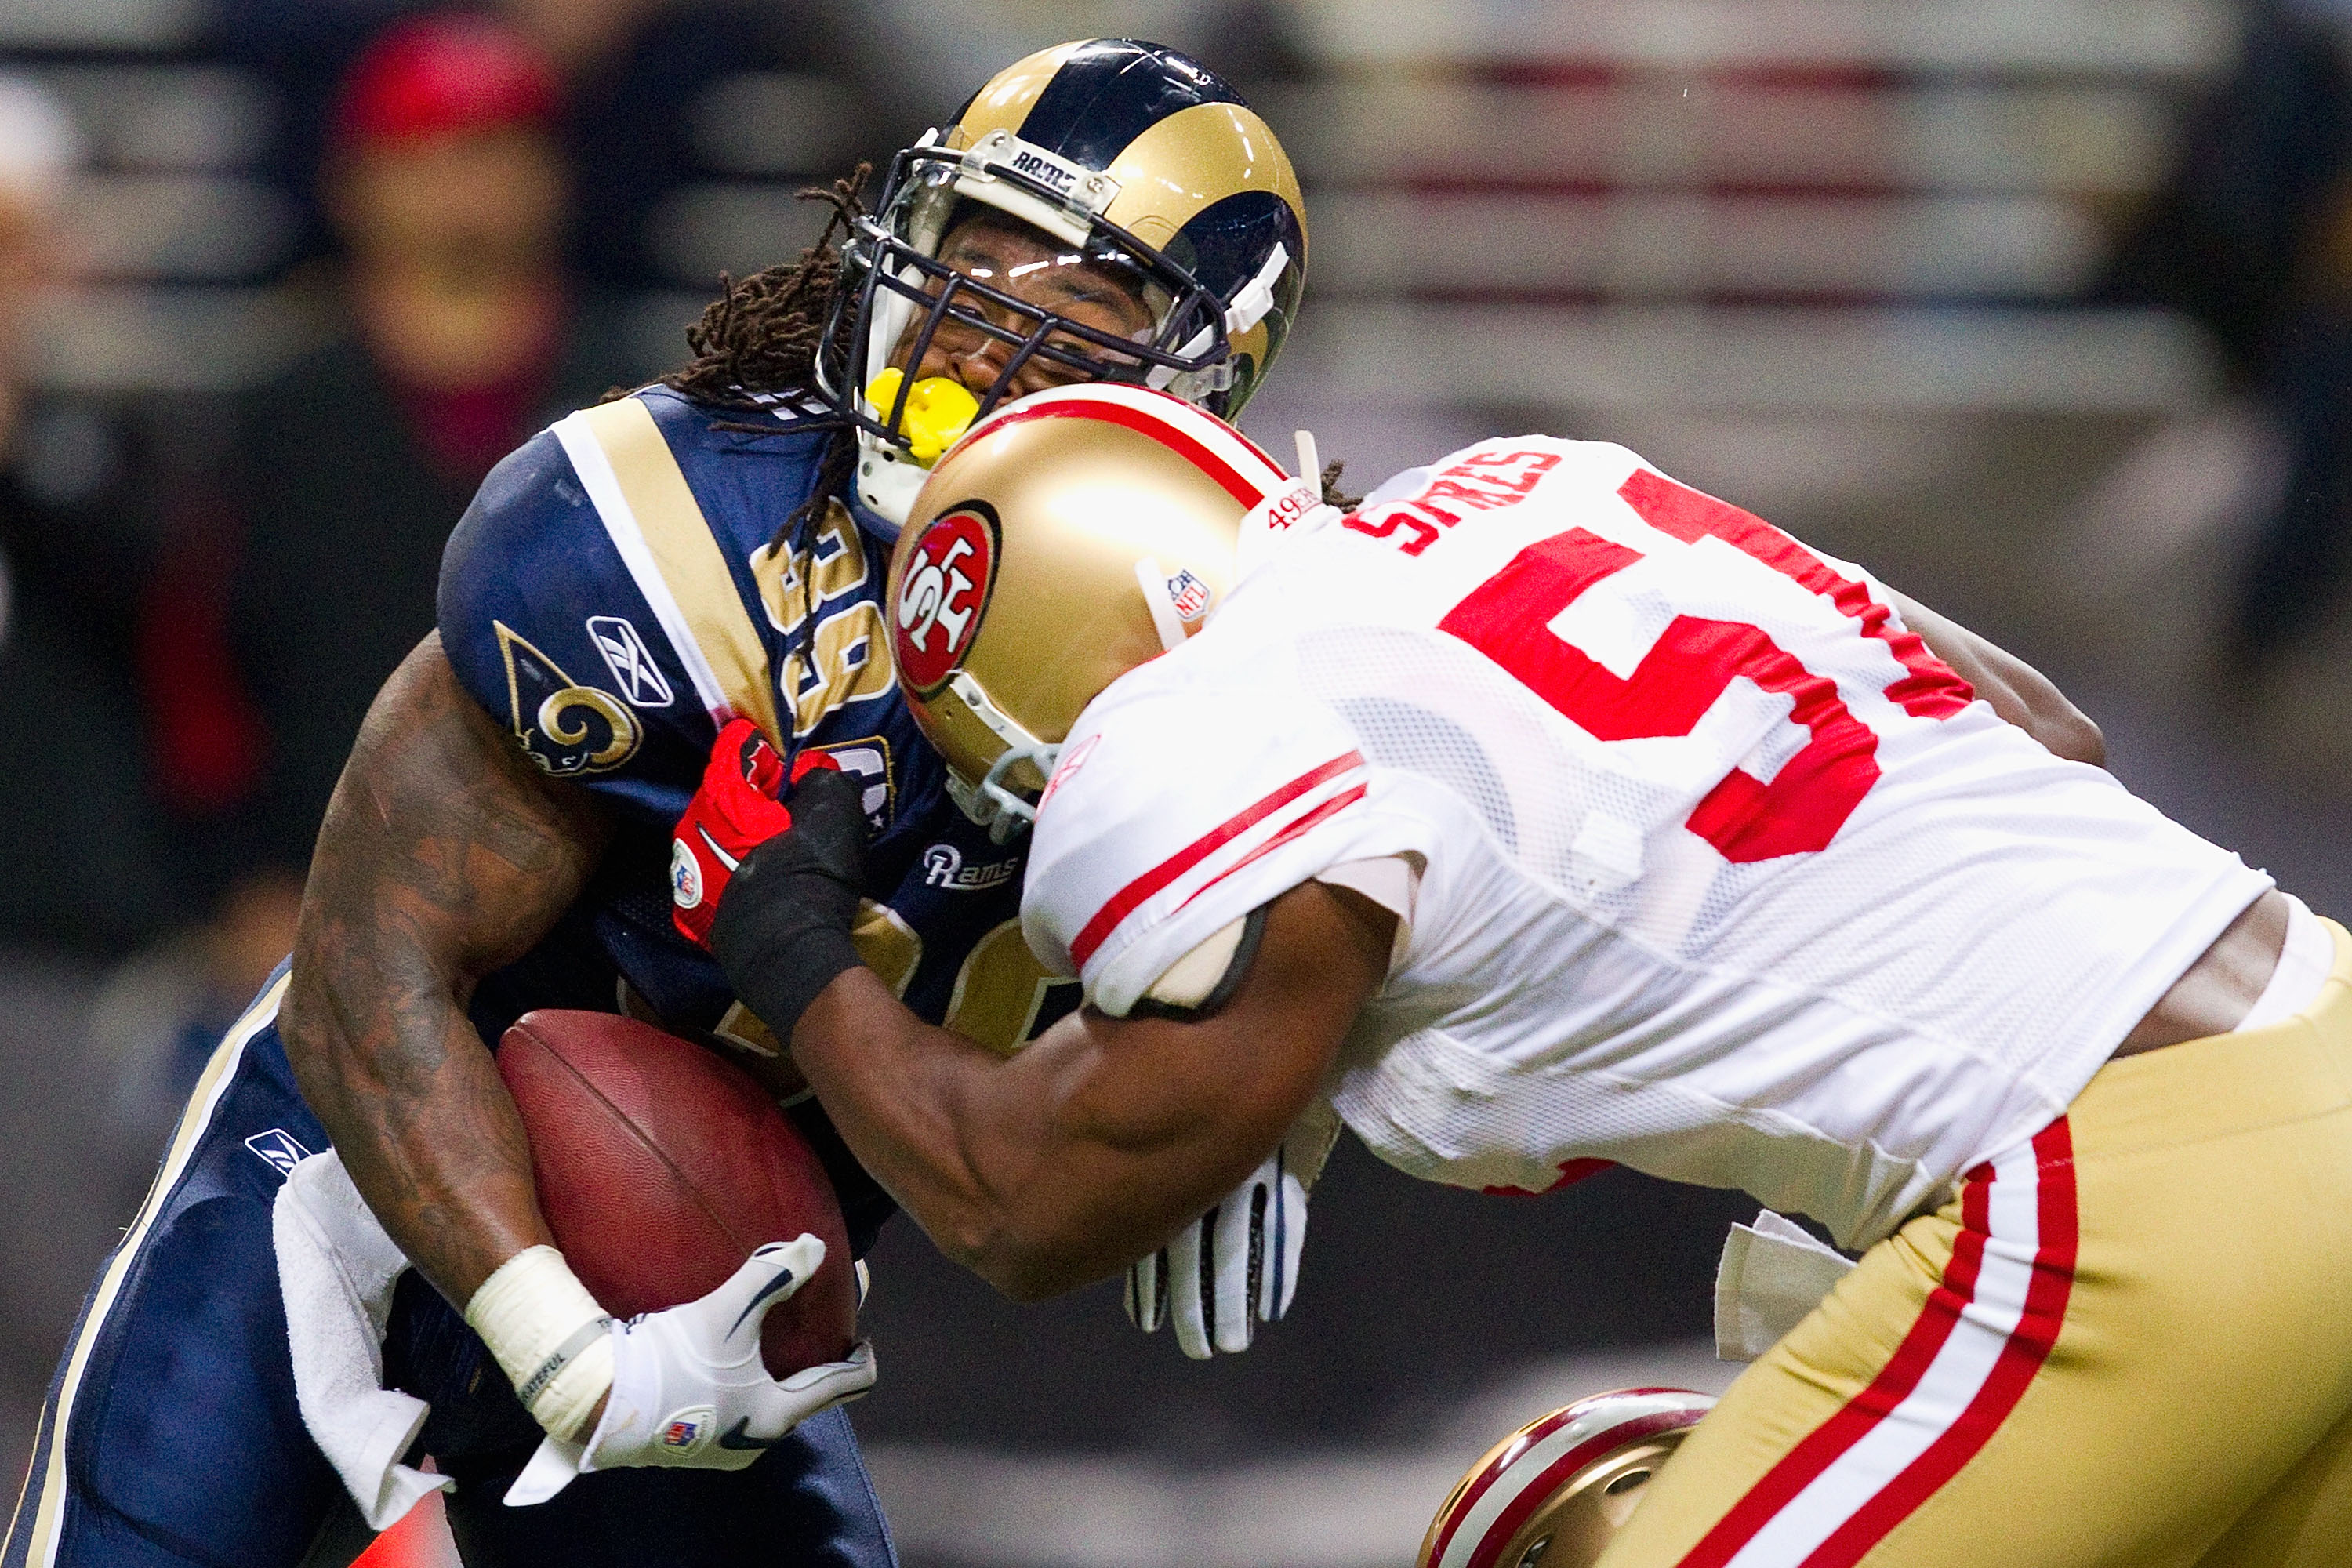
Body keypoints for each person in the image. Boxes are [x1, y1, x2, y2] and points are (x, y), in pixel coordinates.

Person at [4, 41, 1308, 1568]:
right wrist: (559, 1343)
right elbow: (368, 965)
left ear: (1202, 377)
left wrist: (1274, 1098)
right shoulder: (677, 531)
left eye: (1066, 309)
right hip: (366, 1189)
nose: (976, 337)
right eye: (971, 261)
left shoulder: (1237, 656)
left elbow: (1421, 889)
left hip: (709, 1293)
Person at [686, 384, 2352, 1567]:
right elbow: (2044, 725)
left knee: (1536, 1506)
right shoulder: (1540, 484)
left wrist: (789, 941)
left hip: (2124, 1205)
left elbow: (1028, 1196)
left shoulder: (1185, 731)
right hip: (2312, 1020)